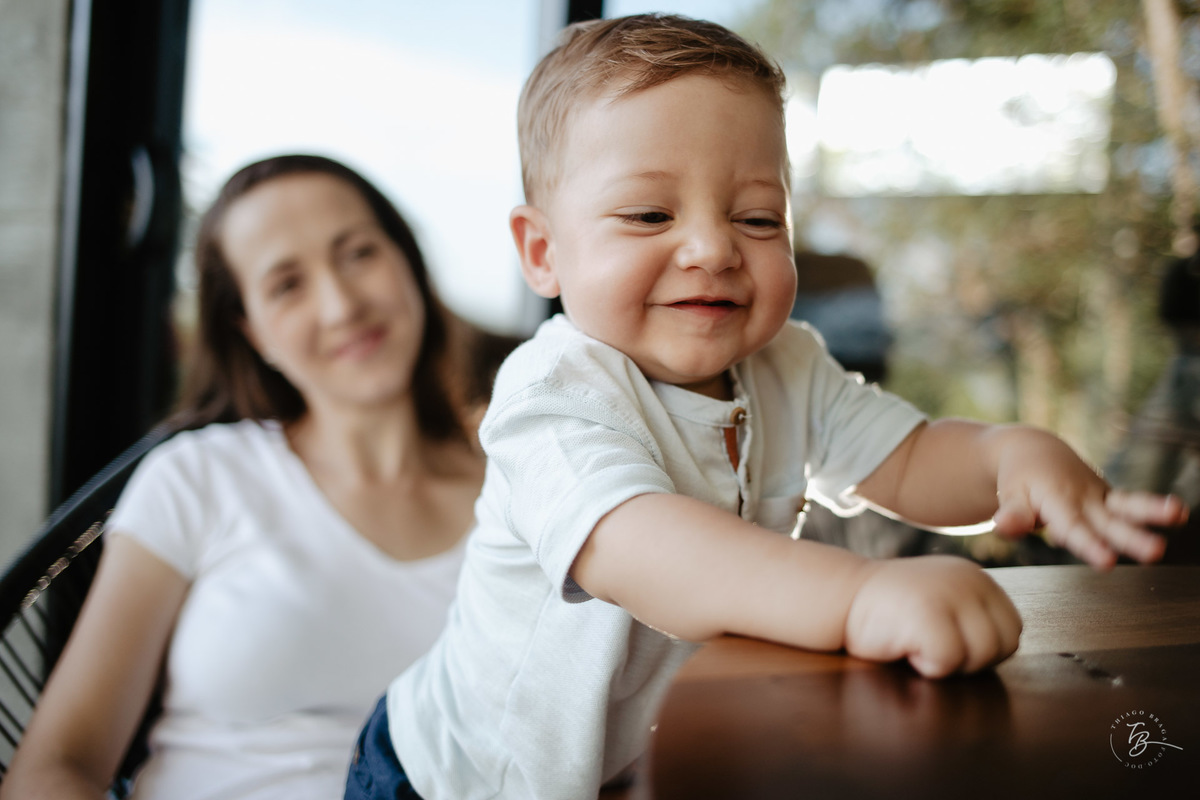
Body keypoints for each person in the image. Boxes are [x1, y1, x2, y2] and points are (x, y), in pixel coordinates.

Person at [344, 15, 1188, 800]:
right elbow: (653, 554)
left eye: (757, 216)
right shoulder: (553, 397)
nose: (713, 248)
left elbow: (911, 460)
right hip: (453, 777)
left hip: (618, 761)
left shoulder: (785, 364)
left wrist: (1011, 455)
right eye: (649, 214)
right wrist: (861, 598)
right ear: (542, 251)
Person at [2, 154, 488, 800]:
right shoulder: (199, 477)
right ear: (250, 329)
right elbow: (55, 769)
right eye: (287, 284)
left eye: (360, 253)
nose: (342, 304)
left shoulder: (520, 497)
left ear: (407, 262)